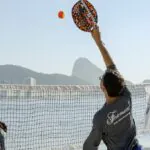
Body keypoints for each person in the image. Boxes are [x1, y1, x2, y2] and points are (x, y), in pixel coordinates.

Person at [83, 26, 142, 150]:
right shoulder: (126, 96)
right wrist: (98, 41)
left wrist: (97, 41)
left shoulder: (100, 117)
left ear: (102, 87)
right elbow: (112, 66)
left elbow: (89, 147)